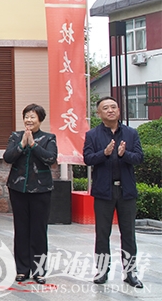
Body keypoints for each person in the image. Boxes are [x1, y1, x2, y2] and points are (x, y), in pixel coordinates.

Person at [83, 96, 144, 289]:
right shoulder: (92, 135)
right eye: (105, 108)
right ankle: (102, 271)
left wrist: (124, 154)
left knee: (129, 233)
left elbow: (139, 157)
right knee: (102, 234)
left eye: (113, 107)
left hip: (126, 191)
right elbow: (87, 159)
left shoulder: (131, 133)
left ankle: (130, 273)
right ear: (98, 113)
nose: (110, 110)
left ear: (118, 110)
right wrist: (105, 153)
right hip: (104, 192)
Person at [3, 104, 57, 284]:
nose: (29, 120)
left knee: (38, 230)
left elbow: (50, 158)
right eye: (26, 116)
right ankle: (22, 269)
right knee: (21, 229)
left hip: (41, 190)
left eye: (33, 117)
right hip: (18, 189)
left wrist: (33, 145)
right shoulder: (15, 136)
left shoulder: (48, 138)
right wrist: (21, 145)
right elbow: (8, 157)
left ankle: (39, 270)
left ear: (40, 119)